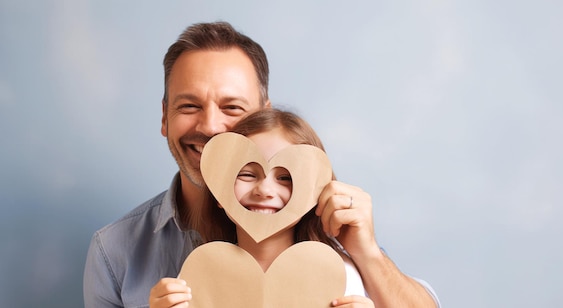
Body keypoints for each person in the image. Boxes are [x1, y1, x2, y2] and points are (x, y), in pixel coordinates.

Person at [83, 21, 439, 308]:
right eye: (189, 106)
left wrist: (369, 254)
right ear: (164, 117)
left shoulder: (332, 237)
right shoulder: (114, 251)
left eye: (232, 108)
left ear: (264, 118)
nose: (209, 127)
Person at [149, 108, 374, 307]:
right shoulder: (201, 274)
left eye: (285, 178)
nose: (264, 189)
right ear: (220, 192)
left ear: (312, 194)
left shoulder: (338, 274)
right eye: (247, 174)